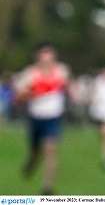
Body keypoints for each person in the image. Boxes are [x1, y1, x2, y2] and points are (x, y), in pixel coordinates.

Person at [15, 42, 71, 195]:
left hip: (53, 117)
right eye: (44, 60)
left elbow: (67, 87)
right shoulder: (30, 73)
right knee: (35, 151)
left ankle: (47, 186)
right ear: (38, 60)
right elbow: (19, 96)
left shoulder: (61, 71)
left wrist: (69, 91)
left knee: (50, 149)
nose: (47, 63)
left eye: (50, 60)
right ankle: (32, 160)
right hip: (36, 117)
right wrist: (29, 92)